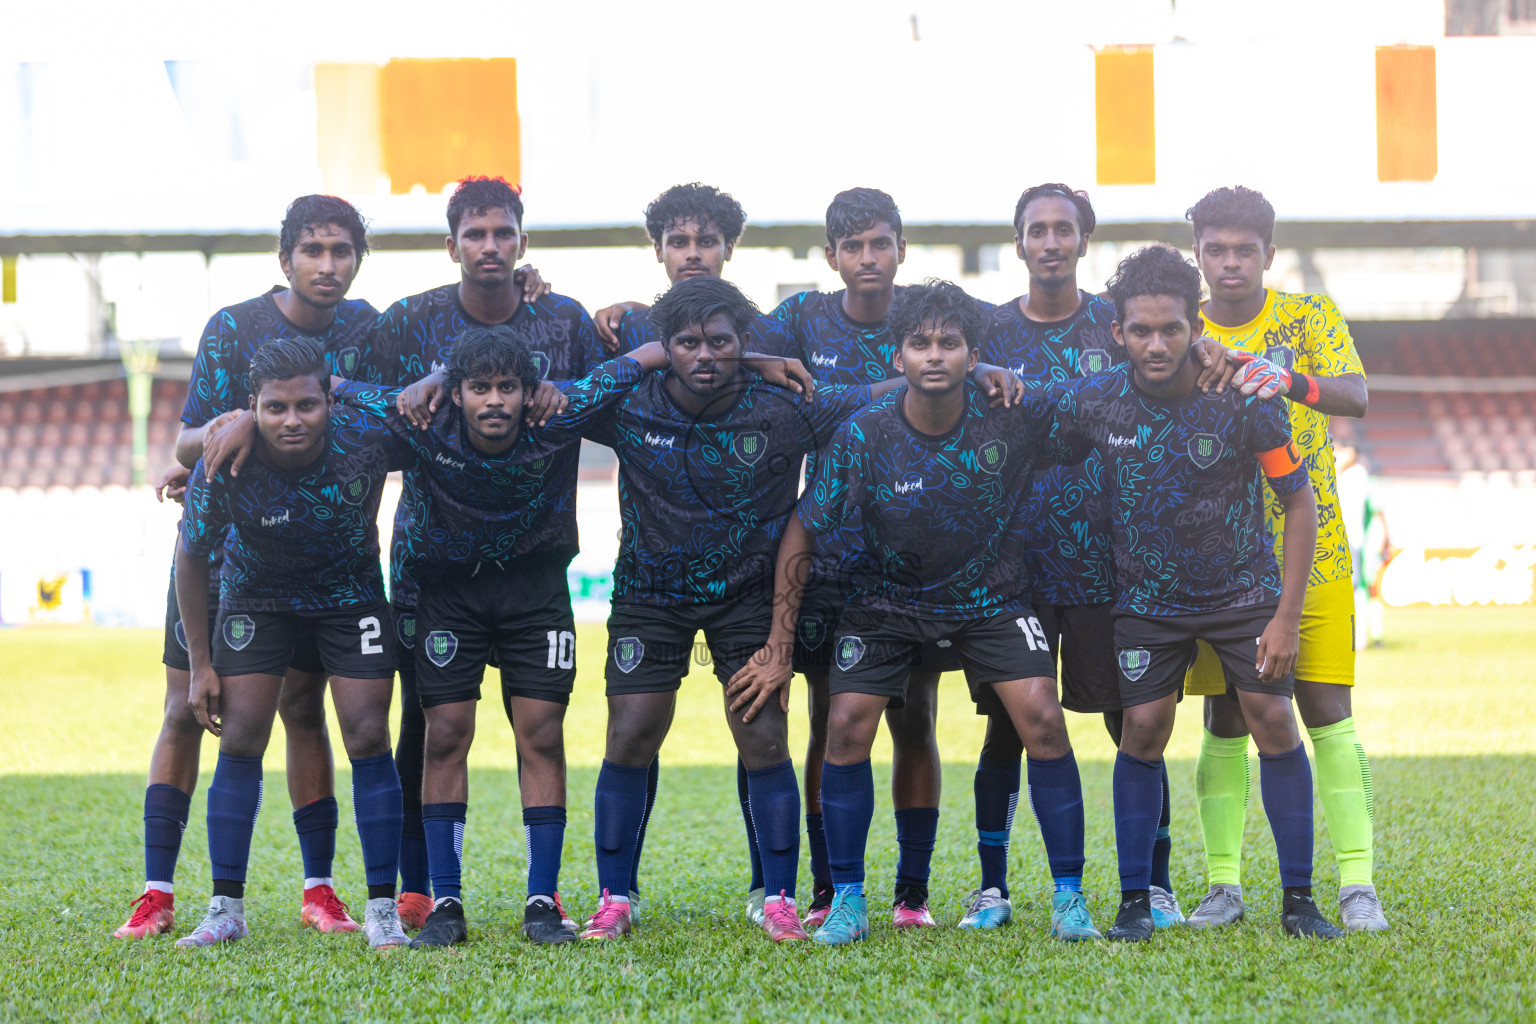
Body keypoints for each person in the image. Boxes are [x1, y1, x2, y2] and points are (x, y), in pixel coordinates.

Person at [764, 280, 1098, 946]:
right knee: (847, 724)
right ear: (898, 357)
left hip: (991, 598)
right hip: (886, 600)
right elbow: (803, 528)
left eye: (951, 342)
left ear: (975, 356)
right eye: (920, 342)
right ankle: (851, 900)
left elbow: (1096, 406)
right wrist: (777, 644)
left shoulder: (1014, 412)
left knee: (1042, 717)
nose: (935, 355)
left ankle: (1069, 898)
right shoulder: (865, 433)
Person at [330, 328, 672, 948]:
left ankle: (542, 900)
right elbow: (337, 389)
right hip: (450, 597)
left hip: (535, 595)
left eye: (507, 387)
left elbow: (645, 356)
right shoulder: (424, 420)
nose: (494, 400)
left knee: (540, 735)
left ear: (528, 391)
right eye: (479, 387)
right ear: (455, 393)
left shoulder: (559, 413)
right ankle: (447, 903)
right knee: (446, 737)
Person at [1044, 244, 1341, 942]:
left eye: (1171, 329)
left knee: (1272, 721)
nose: (1156, 344)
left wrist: (1286, 618)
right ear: (1116, 332)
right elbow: (1032, 432)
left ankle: (1299, 901)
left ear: (1195, 325)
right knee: (1144, 730)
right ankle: (1133, 903)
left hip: (1244, 597)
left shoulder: (1241, 398)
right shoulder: (1095, 400)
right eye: (1140, 330)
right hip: (1145, 602)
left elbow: (1297, 503)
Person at [116, 195, 381, 940]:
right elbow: (183, 444)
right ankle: (158, 891)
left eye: (341, 251)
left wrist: (529, 287)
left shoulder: (368, 328)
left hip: (313, 563)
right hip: (224, 550)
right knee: (187, 709)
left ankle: (318, 890)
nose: (326, 265)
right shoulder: (232, 327)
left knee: (304, 710)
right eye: (312, 251)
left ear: (357, 258)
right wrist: (225, 428)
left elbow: (427, 377)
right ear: (286, 258)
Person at [370, 175, 595, 930]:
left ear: (522, 241)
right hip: (436, 567)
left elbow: (613, 381)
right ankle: (431, 891)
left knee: (540, 731)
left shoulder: (561, 321)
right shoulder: (410, 320)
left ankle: (542, 894)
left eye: (504, 234)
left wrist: (637, 326)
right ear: (452, 244)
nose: (491, 247)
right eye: (476, 234)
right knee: (432, 728)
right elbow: (352, 393)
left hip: (533, 571)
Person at [1181, 186, 1385, 933]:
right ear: (1198, 255)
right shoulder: (1182, 327)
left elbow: (1357, 396)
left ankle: (1357, 886)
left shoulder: (1307, 317)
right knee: (1226, 715)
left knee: (1328, 711)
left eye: (1244, 251)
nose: (1230, 263)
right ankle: (1223, 886)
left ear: (1269, 254)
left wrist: (1288, 379)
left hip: (1317, 545)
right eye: (1216, 250)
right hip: (1217, 557)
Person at [588, 181, 791, 921]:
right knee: (632, 731)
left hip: (750, 584)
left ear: (729, 249)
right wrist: (639, 351)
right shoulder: (625, 335)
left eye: (707, 240)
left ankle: (773, 893)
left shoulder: (768, 332)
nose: (694, 253)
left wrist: (761, 361)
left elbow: (827, 397)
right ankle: (617, 894)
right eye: (680, 241)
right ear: (660, 251)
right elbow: (563, 401)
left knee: (762, 734)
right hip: (651, 587)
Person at [172, 337, 415, 949]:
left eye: (306, 404)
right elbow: (191, 557)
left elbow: (426, 413)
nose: (292, 419)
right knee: (244, 732)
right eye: (275, 407)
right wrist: (200, 664)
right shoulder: (226, 455)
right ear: (252, 405)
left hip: (350, 596)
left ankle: (383, 909)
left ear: (329, 399)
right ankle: (225, 908)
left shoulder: (367, 434)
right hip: (257, 597)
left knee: (367, 732)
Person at [768, 187, 951, 930]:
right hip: (829, 556)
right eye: (853, 247)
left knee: (917, 719)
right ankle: (827, 885)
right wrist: (629, 318)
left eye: (881, 243)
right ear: (832, 256)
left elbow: (983, 359)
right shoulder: (803, 317)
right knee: (830, 722)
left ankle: (913, 893)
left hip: (915, 558)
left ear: (901, 248)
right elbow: (717, 335)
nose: (868, 258)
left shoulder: (931, 318)